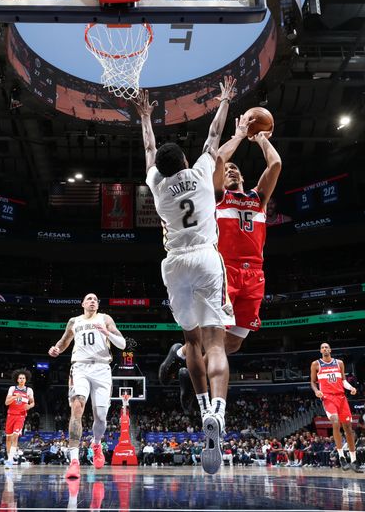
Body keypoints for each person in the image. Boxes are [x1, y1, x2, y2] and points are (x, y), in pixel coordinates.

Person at [135, 76, 241, 474]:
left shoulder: (158, 186)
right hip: (206, 258)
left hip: (174, 262)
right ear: (183, 161)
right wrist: (225, 100)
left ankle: (200, 411)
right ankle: (218, 412)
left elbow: (149, 148)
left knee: (191, 341)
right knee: (216, 343)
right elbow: (214, 136)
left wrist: (145, 117)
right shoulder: (198, 174)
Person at [159, 101, 282, 413]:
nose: (230, 169)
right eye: (227, 170)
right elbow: (218, 157)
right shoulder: (215, 197)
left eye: (235, 169)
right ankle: (189, 361)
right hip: (221, 271)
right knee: (211, 339)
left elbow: (276, 166)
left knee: (235, 343)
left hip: (255, 274)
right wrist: (240, 135)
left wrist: (261, 138)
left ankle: (185, 362)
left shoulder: (258, 198)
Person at [48, 293, 127, 479]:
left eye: (95, 299)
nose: (92, 301)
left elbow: (123, 344)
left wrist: (107, 332)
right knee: (77, 406)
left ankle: (96, 443)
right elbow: (65, 341)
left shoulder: (105, 318)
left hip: (102, 369)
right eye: (89, 298)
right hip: (80, 367)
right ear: (82, 303)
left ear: (98, 305)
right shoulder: (74, 321)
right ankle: (74, 461)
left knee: (100, 416)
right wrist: (56, 348)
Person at [310, 342, 364, 473]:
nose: (324, 349)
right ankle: (341, 457)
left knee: (348, 429)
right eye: (322, 347)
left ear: (330, 350)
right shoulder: (316, 364)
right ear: (320, 351)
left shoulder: (339, 363)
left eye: (326, 347)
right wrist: (316, 391)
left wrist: (351, 387)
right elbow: (312, 382)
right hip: (328, 398)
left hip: (341, 397)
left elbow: (343, 380)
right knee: (335, 421)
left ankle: (354, 460)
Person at [4, 368, 35, 468]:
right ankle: (9, 458)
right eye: (20, 378)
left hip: (21, 415)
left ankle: (10, 460)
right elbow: (6, 403)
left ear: (26, 380)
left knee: (15, 436)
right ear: (17, 380)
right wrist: (14, 396)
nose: (21, 379)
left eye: (23, 378)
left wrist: (29, 406)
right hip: (10, 414)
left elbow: (33, 402)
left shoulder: (29, 390)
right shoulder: (12, 389)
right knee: (8, 438)